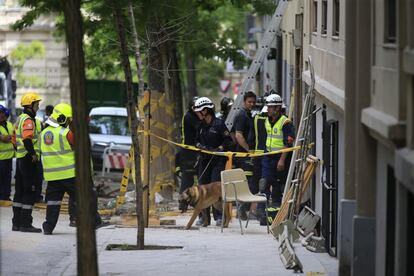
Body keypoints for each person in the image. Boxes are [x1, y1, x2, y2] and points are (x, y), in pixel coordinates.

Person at [193, 97, 233, 226]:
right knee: (202, 188)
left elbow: (228, 141)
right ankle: (203, 218)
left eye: (199, 111)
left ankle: (220, 216)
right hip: (204, 161)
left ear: (206, 111)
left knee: (215, 190)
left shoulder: (219, 124)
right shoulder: (200, 125)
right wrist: (199, 146)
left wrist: (219, 148)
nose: (197, 114)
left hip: (217, 161)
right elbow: (196, 141)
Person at [257, 94, 295, 224]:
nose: (267, 109)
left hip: (280, 158)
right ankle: (262, 212)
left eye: (270, 107)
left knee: (278, 186)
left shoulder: (286, 123)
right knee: (264, 183)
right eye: (267, 106)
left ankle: (276, 215)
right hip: (268, 157)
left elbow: (288, 142)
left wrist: (282, 160)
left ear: (277, 108)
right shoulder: (267, 120)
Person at [40, 103, 77, 234]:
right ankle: (92, 221)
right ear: (62, 119)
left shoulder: (43, 133)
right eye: (68, 119)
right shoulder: (66, 133)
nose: (68, 122)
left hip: (52, 176)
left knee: (53, 203)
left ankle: (48, 227)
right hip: (69, 174)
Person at [12, 92, 43, 232]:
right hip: (28, 159)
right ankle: (25, 224)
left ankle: (16, 223)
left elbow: (14, 138)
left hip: (20, 158)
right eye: (36, 103)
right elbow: (26, 139)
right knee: (29, 191)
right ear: (30, 105)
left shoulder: (20, 118)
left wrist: (20, 151)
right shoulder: (29, 120)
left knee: (19, 192)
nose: (38, 106)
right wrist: (33, 154)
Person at [233, 91, 256, 220]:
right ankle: (242, 210)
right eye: (249, 102)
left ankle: (242, 210)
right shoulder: (242, 116)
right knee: (247, 184)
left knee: (248, 183)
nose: (252, 104)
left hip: (245, 155)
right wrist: (248, 150)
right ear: (244, 102)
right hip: (244, 156)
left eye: (253, 102)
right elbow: (237, 135)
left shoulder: (248, 115)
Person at [177, 96, 200, 211]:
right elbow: (200, 128)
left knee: (196, 178)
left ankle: (195, 201)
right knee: (187, 178)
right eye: (196, 107)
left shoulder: (194, 116)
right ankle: (183, 203)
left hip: (195, 151)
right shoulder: (189, 117)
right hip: (188, 152)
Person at [0, 105, 14, 201]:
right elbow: (4, 139)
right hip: (0, 158)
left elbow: (14, 136)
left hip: (9, 157)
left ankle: (6, 196)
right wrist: (10, 137)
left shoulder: (9, 124)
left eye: (2, 113)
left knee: (7, 178)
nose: (1, 115)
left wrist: (10, 137)